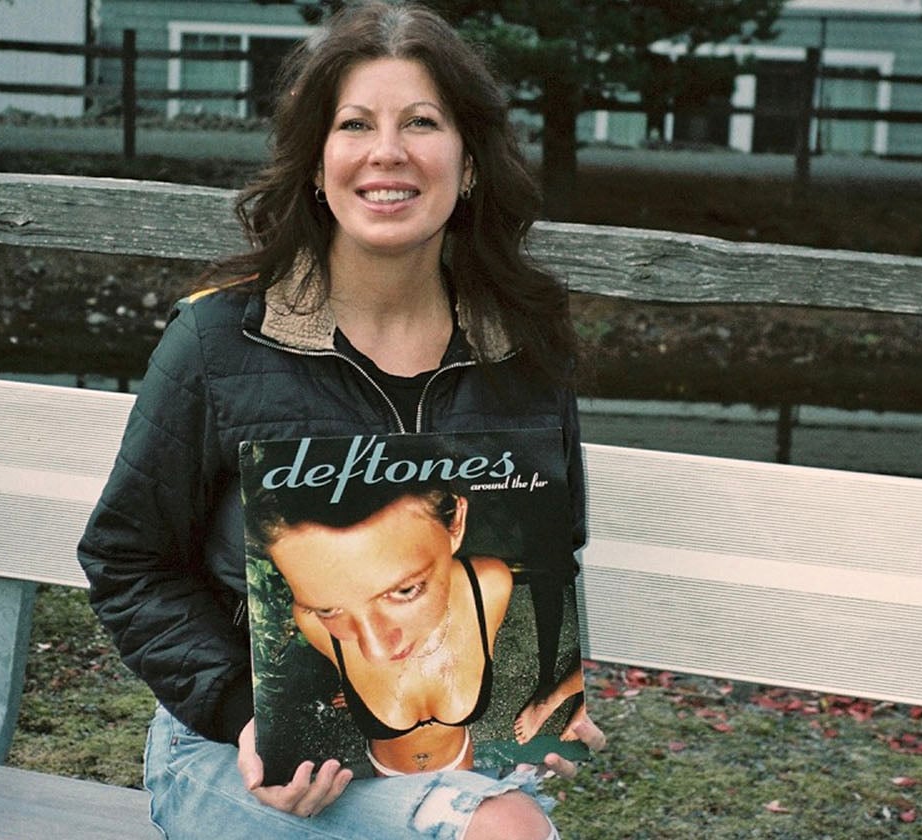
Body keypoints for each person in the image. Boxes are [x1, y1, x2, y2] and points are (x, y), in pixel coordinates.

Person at [77, 2, 603, 837]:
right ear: (318, 164)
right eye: (355, 124)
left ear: (468, 164)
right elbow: (127, 559)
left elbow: (549, 547)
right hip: (236, 753)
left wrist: (543, 694)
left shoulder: (523, 352)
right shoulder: (219, 341)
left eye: (422, 123)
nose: (387, 153)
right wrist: (247, 716)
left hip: (461, 758)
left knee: (500, 823)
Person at [247, 469, 513, 777]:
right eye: (330, 609)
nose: (374, 652)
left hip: (459, 765)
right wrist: (359, 690)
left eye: (404, 590)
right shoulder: (311, 620)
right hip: (386, 773)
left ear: (454, 522)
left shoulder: (488, 587)